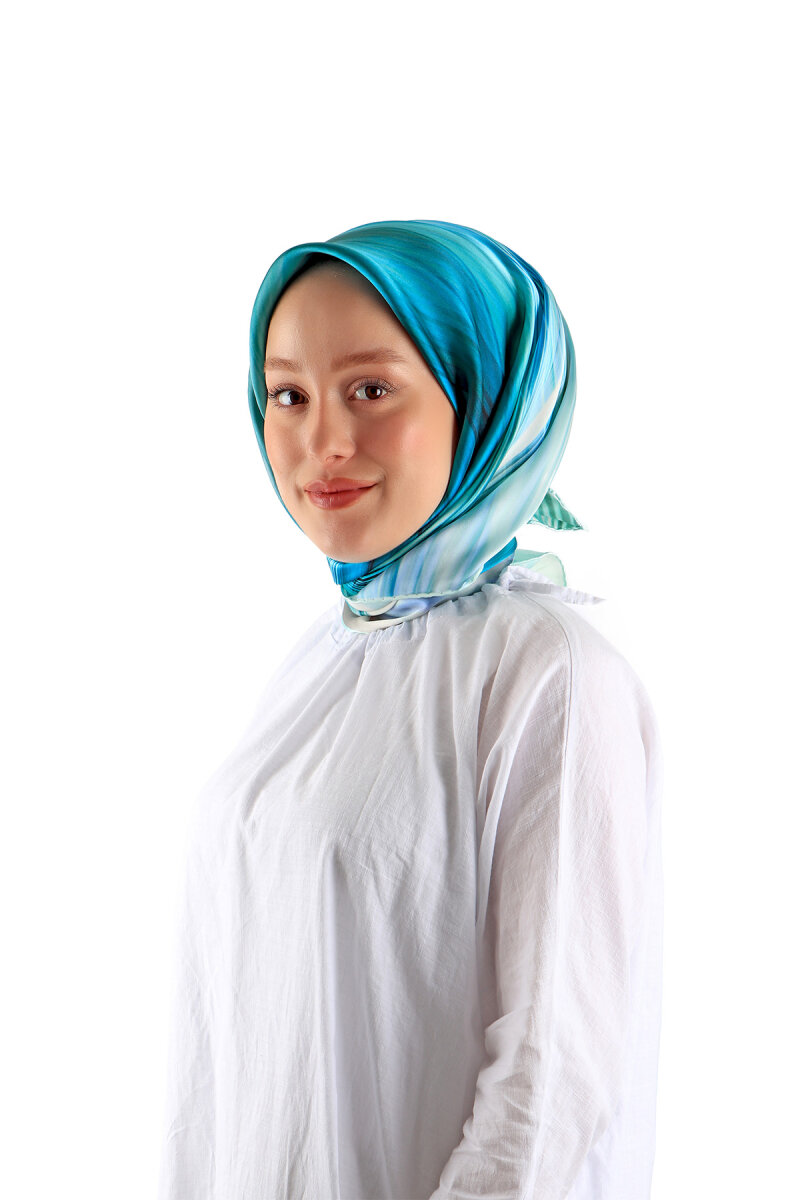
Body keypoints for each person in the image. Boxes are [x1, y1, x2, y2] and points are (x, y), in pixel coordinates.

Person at [157, 219, 664, 1199]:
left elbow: (552, 1078)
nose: (322, 442)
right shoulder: (331, 653)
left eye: (371, 389)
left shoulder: (548, 672)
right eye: (288, 395)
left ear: (482, 400)